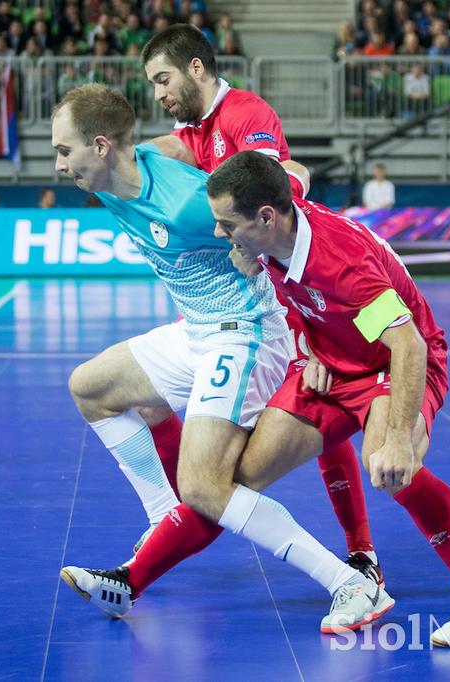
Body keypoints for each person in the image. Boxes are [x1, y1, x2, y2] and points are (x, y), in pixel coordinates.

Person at [52, 85, 392, 632]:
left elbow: (285, 223)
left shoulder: (189, 205)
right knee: (91, 387)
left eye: (64, 151)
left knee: (208, 487)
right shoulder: (125, 169)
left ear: (100, 146)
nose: (58, 164)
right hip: (196, 330)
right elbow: (169, 144)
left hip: (245, 332)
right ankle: (164, 516)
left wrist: (309, 339)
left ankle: (350, 583)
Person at [106, 24, 382, 589]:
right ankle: (175, 515)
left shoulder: (243, 113)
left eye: (163, 79)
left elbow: (275, 186)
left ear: (197, 70)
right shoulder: (192, 130)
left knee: (320, 416)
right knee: (155, 404)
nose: (158, 93)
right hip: (254, 296)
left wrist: (260, 229)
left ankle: (358, 557)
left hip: (295, 288)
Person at [206, 150, 450, 646]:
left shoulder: (343, 265)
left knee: (389, 468)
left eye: (227, 224)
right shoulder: (281, 214)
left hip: (394, 361)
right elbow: (294, 176)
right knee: (246, 476)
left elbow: (409, 344)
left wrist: (397, 436)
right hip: (337, 355)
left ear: (267, 217)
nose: (221, 235)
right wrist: (310, 347)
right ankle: (362, 563)